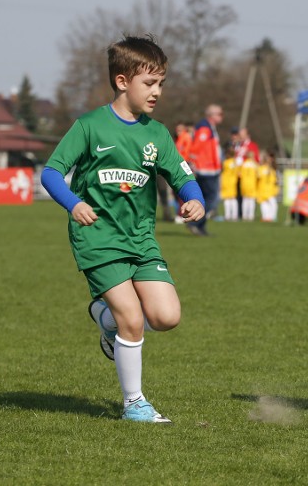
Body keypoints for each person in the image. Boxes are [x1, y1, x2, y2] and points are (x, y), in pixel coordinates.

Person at [40, 34, 206, 423]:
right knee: (133, 319)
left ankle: (104, 315)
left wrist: (193, 197)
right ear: (121, 81)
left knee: (166, 316)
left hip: (141, 239)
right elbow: (51, 173)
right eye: (149, 83)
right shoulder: (90, 126)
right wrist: (75, 203)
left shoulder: (157, 133)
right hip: (98, 238)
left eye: (161, 83)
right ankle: (135, 404)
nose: (157, 92)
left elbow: (183, 176)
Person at [188, 104, 223, 234]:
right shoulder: (205, 128)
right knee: (211, 200)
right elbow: (196, 148)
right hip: (206, 169)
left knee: (206, 199)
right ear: (212, 115)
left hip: (210, 169)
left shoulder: (209, 128)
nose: (221, 117)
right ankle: (195, 222)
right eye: (220, 114)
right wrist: (194, 164)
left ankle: (200, 225)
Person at [257, 150, 280, 222]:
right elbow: (274, 180)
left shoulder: (262, 169)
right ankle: (270, 217)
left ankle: (268, 217)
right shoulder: (267, 169)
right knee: (270, 204)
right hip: (267, 189)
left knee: (266, 203)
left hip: (265, 189)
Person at [220, 145, 239, 221]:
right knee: (233, 199)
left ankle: (227, 215)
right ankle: (234, 215)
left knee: (227, 199)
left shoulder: (226, 162)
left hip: (226, 182)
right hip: (233, 182)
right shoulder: (235, 162)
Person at [238, 150, 258, 221]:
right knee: (251, 201)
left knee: (245, 200)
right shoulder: (255, 164)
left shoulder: (244, 164)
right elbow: (258, 174)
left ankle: (244, 215)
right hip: (252, 184)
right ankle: (250, 216)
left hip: (244, 184)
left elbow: (239, 174)